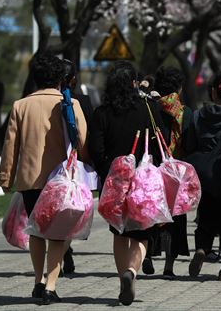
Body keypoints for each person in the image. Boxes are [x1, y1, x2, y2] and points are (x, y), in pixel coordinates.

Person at [0, 53, 90, 305]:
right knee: (58, 235)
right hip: (60, 181)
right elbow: (82, 140)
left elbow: (10, 146)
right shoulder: (69, 104)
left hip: (30, 181)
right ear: (60, 78)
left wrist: (5, 177)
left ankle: (38, 281)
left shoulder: (20, 106)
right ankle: (51, 286)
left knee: (36, 232)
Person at [88, 61, 167, 306]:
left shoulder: (102, 112)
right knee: (143, 233)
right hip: (144, 180)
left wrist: (108, 173)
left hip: (114, 181)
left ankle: (123, 274)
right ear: (134, 83)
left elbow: (95, 149)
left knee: (119, 231)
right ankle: (131, 272)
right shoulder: (149, 108)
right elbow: (160, 139)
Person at [185, 72, 221, 281]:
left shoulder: (197, 115)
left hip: (204, 176)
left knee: (206, 218)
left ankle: (201, 249)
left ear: (212, 92)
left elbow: (190, 146)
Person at [142, 67, 193, 278]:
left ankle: (146, 254)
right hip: (175, 170)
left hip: (152, 168)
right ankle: (169, 266)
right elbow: (189, 142)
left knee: (151, 212)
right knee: (175, 216)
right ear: (179, 88)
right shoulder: (185, 112)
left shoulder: (149, 107)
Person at [59, 59, 94, 276]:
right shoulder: (82, 101)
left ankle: (62, 251)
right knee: (69, 210)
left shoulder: (44, 101)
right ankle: (63, 249)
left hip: (51, 166)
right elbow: (87, 134)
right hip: (75, 167)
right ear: (73, 79)